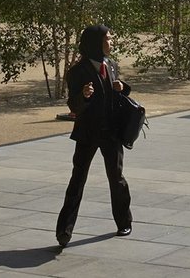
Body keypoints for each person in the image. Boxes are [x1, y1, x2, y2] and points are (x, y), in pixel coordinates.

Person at [56, 24, 132, 248]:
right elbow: (73, 105)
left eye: (111, 39)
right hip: (88, 133)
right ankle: (64, 231)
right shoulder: (77, 71)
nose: (111, 43)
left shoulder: (111, 65)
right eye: (107, 39)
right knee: (77, 181)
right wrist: (84, 96)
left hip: (111, 133)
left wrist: (122, 88)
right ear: (94, 43)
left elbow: (117, 97)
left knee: (117, 179)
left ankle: (124, 222)